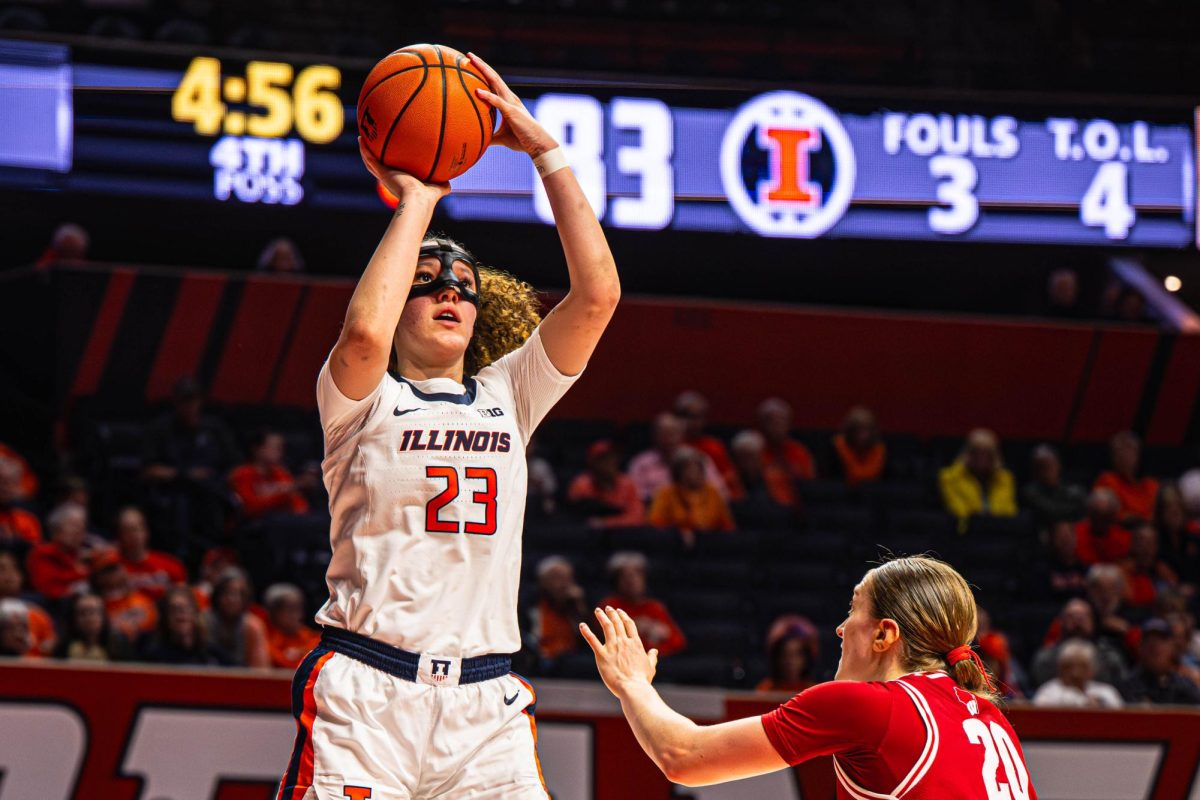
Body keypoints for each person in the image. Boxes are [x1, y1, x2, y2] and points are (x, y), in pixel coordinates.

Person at [277, 53, 621, 800]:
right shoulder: (360, 398)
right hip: (367, 689)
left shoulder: (510, 393)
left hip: (484, 706)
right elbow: (364, 334)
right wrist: (418, 203)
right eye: (427, 281)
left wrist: (545, 152)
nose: (448, 292)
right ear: (399, 298)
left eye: (462, 286)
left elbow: (596, 297)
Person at [582, 555, 1036, 795]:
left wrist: (632, 683)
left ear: (884, 635)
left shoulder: (871, 705)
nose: (840, 628)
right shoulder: (988, 717)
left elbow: (682, 755)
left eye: (853, 609)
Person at [141, 376, 240, 552]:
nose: (190, 406)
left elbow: (235, 464)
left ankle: (219, 554)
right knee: (182, 506)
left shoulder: (214, 428)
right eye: (185, 400)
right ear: (176, 402)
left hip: (213, 490)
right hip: (176, 491)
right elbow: (148, 470)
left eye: (194, 400)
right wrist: (185, 474)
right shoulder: (160, 429)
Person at [600, 551, 686, 659]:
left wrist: (660, 633)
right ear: (616, 580)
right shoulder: (609, 607)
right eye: (625, 576)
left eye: (637, 574)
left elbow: (678, 642)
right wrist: (637, 629)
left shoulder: (654, 607)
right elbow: (611, 643)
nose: (631, 581)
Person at [1030, 597, 1128, 689]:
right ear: (1061, 622)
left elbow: (1122, 687)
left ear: (1093, 622)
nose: (1077, 622)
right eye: (1071, 617)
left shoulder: (1109, 656)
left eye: (1083, 617)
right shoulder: (1046, 658)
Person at [628, 412, 726, 502]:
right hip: (655, 511)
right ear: (654, 436)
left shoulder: (699, 458)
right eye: (663, 433)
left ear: (681, 435)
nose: (668, 438)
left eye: (672, 433)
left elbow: (720, 492)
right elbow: (634, 496)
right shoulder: (640, 462)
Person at [938, 429, 1018, 532]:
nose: (981, 458)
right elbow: (959, 513)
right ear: (967, 453)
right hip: (966, 534)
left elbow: (1009, 512)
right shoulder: (949, 477)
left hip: (999, 534)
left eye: (987, 453)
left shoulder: (1005, 478)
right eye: (976, 452)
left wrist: (993, 522)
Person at [648, 447, 735, 537]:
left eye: (698, 469)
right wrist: (679, 533)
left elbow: (727, 524)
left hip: (711, 540)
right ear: (678, 473)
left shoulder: (712, 492)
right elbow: (656, 524)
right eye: (689, 469)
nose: (694, 473)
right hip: (677, 540)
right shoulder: (665, 494)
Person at [228, 430, 310, 520]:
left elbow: (298, 503)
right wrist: (283, 493)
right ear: (257, 449)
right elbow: (249, 508)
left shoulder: (280, 472)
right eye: (274, 447)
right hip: (258, 523)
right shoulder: (242, 474)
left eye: (281, 448)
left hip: (285, 522)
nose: (280, 452)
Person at [140, 585, 227, 666]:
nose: (181, 613)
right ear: (166, 617)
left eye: (186, 608)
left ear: (196, 614)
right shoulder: (153, 657)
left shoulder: (211, 655)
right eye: (174, 609)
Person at [113, 506, 187, 601]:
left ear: (146, 531)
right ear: (119, 535)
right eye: (127, 531)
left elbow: (184, 600)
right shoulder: (112, 568)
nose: (133, 535)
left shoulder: (171, 565)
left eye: (136, 529)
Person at [1121, 618, 1200, 706]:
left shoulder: (1184, 686)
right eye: (1149, 640)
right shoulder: (1128, 686)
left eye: (1162, 640)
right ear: (1140, 648)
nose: (1155, 645)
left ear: (1172, 647)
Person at [566, 440, 645, 528]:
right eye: (603, 459)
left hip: (622, 536)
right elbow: (573, 521)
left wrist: (604, 523)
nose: (609, 463)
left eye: (612, 458)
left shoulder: (627, 483)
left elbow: (637, 517)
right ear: (592, 462)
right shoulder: (581, 485)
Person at [526, 555, 589, 664]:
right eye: (557, 577)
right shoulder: (530, 604)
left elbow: (588, 641)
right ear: (543, 581)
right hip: (542, 658)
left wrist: (579, 607)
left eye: (568, 578)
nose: (564, 583)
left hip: (571, 658)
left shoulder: (574, 604)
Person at [203, 567, 269, 668]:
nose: (232, 600)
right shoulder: (203, 622)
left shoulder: (253, 627)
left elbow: (261, 671)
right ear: (217, 595)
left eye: (239, 594)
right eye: (227, 593)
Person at [1032, 639, 1124, 708]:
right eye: (1069, 666)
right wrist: (1084, 704)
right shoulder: (1047, 692)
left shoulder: (1106, 692)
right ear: (1060, 668)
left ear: (1093, 669)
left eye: (1082, 667)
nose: (1076, 673)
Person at [26, 502, 90, 601]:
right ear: (56, 529)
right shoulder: (43, 554)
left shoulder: (88, 555)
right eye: (74, 525)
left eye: (82, 526)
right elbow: (48, 590)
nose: (79, 531)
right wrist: (81, 574)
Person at [90, 549, 158, 642]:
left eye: (116, 568)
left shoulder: (142, 601)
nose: (113, 575)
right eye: (107, 571)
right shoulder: (94, 605)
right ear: (97, 577)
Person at [728, 429, 794, 522]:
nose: (748, 462)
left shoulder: (776, 478)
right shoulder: (729, 481)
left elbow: (786, 509)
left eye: (751, 456)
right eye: (743, 457)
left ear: (760, 457)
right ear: (735, 459)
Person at [673, 390, 736, 488]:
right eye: (687, 416)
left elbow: (728, 480)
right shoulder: (669, 447)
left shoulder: (714, 448)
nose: (692, 422)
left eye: (697, 417)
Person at [1094, 431, 1159, 524]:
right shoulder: (1106, 480)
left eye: (1129, 450)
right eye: (1119, 451)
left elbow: (1158, 515)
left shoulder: (1152, 484)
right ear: (1113, 457)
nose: (1124, 456)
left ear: (1138, 455)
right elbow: (1108, 514)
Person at [0, 551, 55, 655]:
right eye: (1, 569)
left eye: (14, 568)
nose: (9, 574)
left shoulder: (39, 616)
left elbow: (48, 654)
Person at [1021, 445, 1086, 529]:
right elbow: (1049, 511)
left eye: (1050, 465)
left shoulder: (1073, 490)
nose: (1047, 471)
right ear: (1035, 471)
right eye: (1042, 467)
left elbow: (1084, 507)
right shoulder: (1029, 492)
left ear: (1059, 465)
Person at [53, 592, 126, 662]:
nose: (89, 618)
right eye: (83, 613)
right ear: (73, 618)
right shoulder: (63, 647)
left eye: (93, 612)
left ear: (104, 616)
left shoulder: (119, 645)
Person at [755, 615, 820, 693]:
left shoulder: (814, 691)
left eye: (797, 654)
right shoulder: (765, 690)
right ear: (776, 657)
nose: (791, 661)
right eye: (785, 654)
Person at [756, 397, 816, 482]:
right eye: (771, 421)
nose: (777, 426)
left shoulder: (799, 452)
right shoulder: (754, 451)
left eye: (782, 421)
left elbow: (810, 484)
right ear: (761, 424)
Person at [263, 583, 321, 670]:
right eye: (290, 609)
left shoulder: (314, 638)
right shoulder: (263, 638)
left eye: (299, 608)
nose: (297, 615)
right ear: (273, 612)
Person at [1121, 523, 1179, 609]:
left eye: (1151, 542)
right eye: (1142, 542)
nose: (1147, 547)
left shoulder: (1162, 569)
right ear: (1133, 545)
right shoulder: (1123, 570)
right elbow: (1128, 600)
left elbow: (1175, 593)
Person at [829, 406, 887, 487]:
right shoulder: (838, 446)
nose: (862, 435)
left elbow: (870, 475)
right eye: (857, 430)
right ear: (850, 431)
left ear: (872, 431)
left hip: (872, 494)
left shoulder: (878, 449)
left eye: (866, 430)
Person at [1075, 487, 1131, 565]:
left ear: (1113, 517)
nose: (1100, 521)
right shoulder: (1075, 534)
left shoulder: (1124, 539)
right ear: (1089, 514)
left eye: (1105, 517)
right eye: (1096, 515)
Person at [0, 458, 41, 547]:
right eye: (1, 480)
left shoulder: (27, 521)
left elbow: (33, 553)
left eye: (12, 482)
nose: (5, 487)